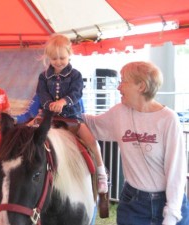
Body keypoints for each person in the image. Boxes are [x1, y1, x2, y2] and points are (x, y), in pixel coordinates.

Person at [82, 61, 189, 225]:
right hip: (134, 203)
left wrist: (171, 216)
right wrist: (58, 111)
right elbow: (91, 124)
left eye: (123, 81)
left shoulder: (168, 119)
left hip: (169, 201)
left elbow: (176, 171)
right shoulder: (119, 112)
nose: (118, 87)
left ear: (141, 86)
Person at [36, 33, 108, 194]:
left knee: (91, 141)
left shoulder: (75, 75)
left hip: (71, 117)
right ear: (48, 58)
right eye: (54, 59)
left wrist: (63, 102)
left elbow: (77, 92)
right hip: (50, 116)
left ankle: (101, 173)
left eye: (62, 58)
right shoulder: (43, 77)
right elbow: (42, 94)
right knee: (32, 138)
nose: (58, 62)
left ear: (70, 54)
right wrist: (50, 104)